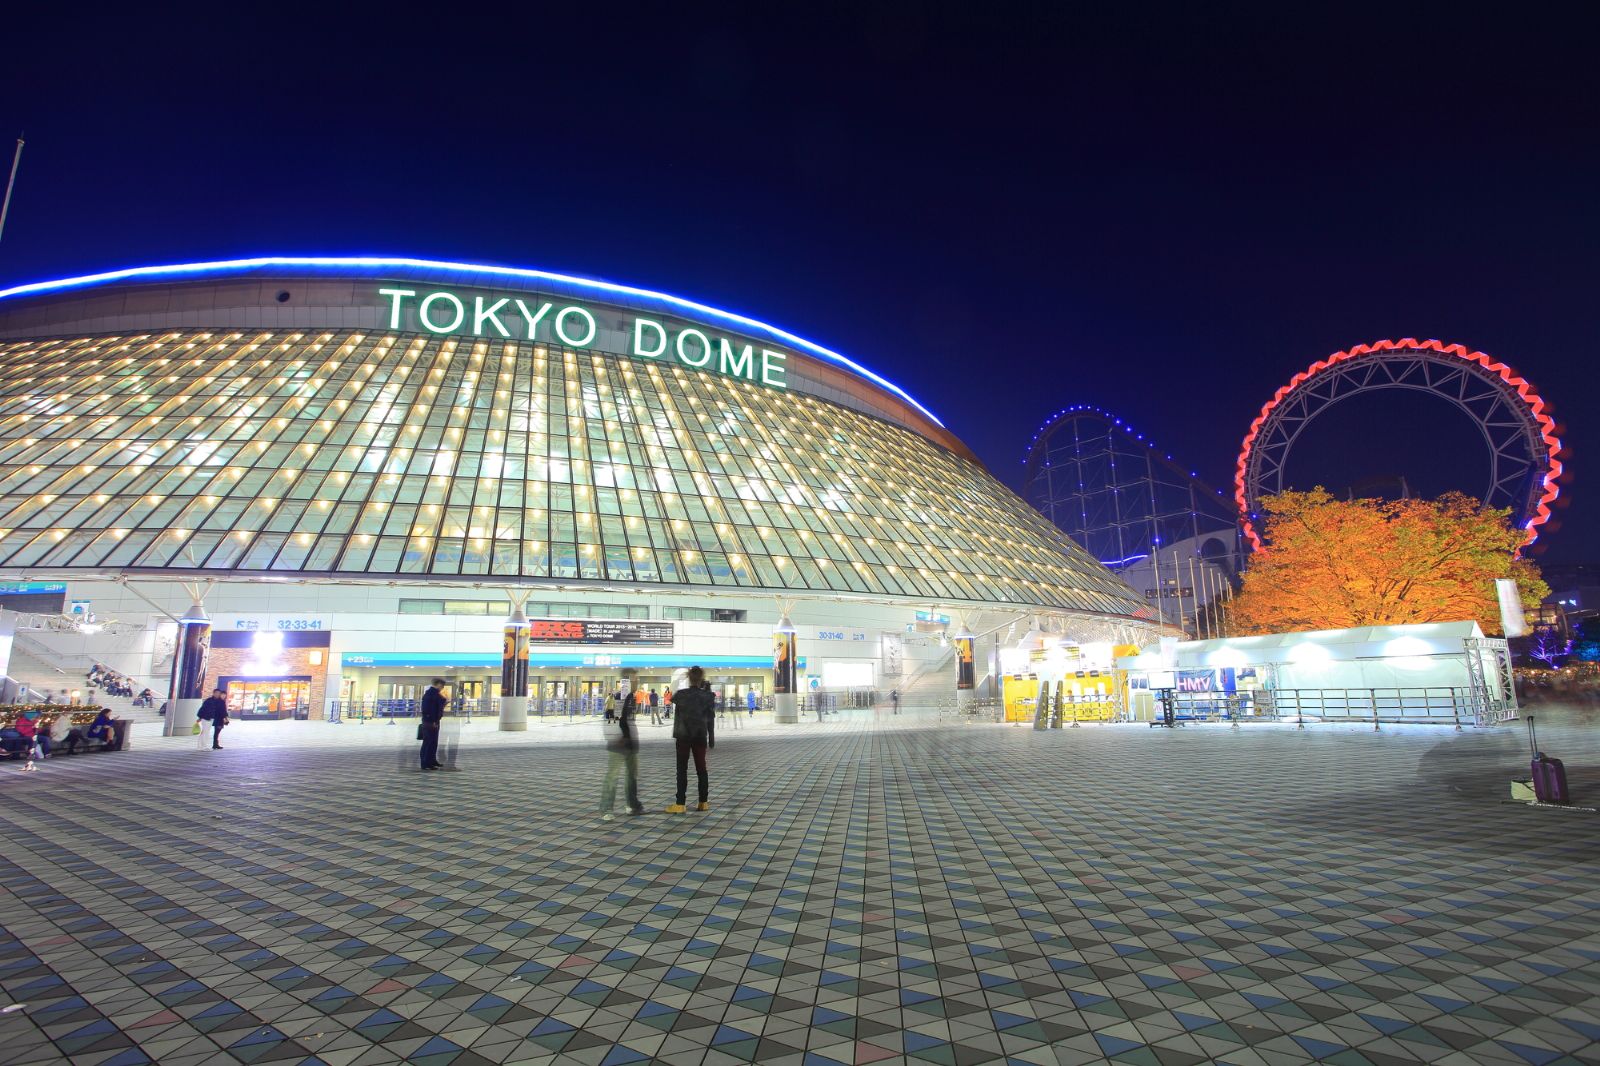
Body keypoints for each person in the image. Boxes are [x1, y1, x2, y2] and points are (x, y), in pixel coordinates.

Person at [665, 666, 714, 813]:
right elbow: (710, 718)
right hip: (700, 735)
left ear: (689, 678)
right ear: (701, 679)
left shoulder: (681, 695)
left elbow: (671, 698)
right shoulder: (707, 696)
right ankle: (703, 802)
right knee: (701, 769)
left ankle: (680, 804)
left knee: (682, 769)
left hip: (683, 736)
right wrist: (711, 737)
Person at [600, 685, 644, 820]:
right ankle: (607, 808)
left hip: (630, 742)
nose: (636, 682)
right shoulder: (619, 697)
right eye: (634, 679)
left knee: (631, 775)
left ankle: (632, 804)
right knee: (613, 776)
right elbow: (612, 717)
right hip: (618, 742)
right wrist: (616, 736)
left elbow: (629, 720)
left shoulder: (631, 697)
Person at [419, 678, 447, 770]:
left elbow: (438, 706)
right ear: (438, 684)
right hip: (430, 721)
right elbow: (427, 709)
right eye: (442, 685)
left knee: (433, 742)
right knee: (428, 742)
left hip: (434, 721)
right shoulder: (430, 694)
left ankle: (431, 760)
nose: (442, 687)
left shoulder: (434, 694)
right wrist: (432, 721)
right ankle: (425, 763)